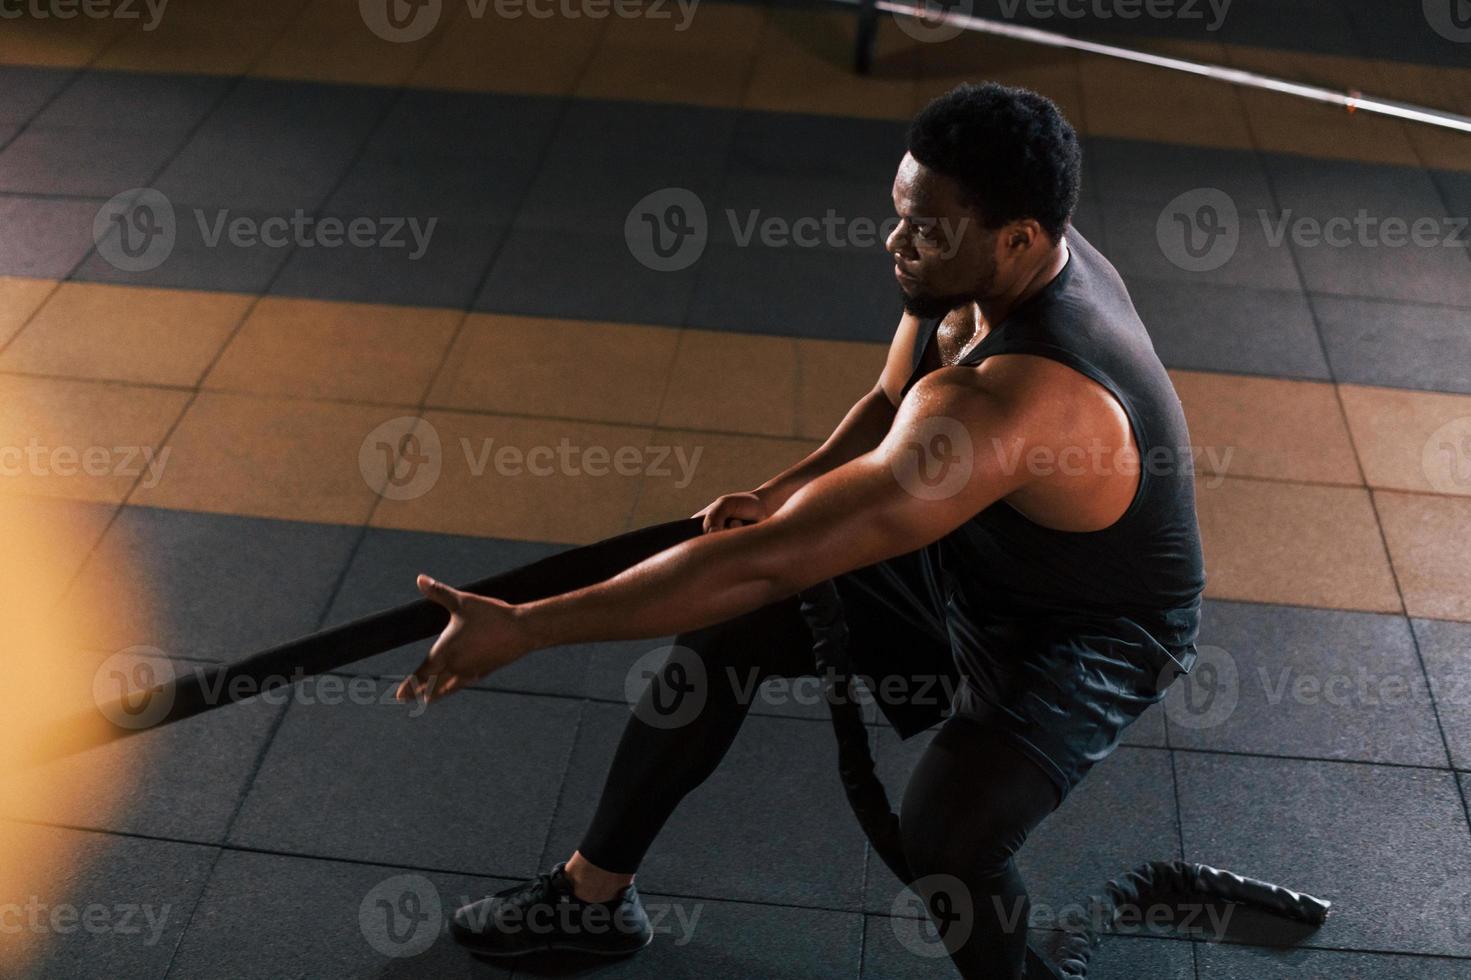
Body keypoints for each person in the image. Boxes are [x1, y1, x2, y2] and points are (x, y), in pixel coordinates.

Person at [395, 82, 1205, 979]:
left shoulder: (1011, 400)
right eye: (901, 215)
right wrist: (784, 489)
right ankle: (591, 900)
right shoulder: (975, 261)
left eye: (924, 229)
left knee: (946, 835)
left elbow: (769, 563)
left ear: (1017, 237)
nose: (896, 242)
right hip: (975, 550)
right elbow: (889, 400)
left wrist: (526, 626)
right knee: (724, 632)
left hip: (1084, 632)